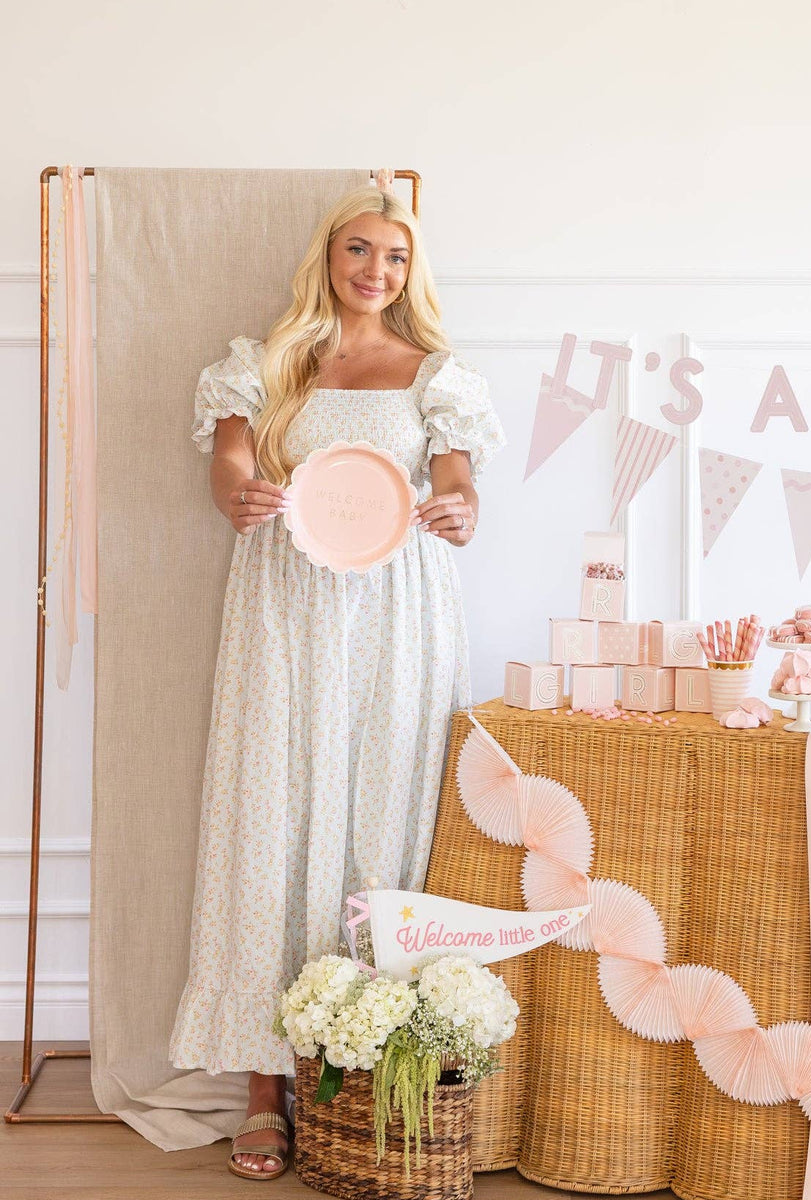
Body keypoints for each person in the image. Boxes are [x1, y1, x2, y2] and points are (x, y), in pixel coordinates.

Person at [166, 178, 505, 1181]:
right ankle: (262, 1086)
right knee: (269, 817)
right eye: (360, 251)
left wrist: (460, 512)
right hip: (287, 600)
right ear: (329, 258)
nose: (376, 272)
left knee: (386, 819)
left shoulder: (436, 374)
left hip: (400, 606)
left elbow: (456, 484)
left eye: (394, 257)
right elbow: (229, 469)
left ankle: (363, 1068)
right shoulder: (265, 364)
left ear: (411, 272)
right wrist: (244, 496)